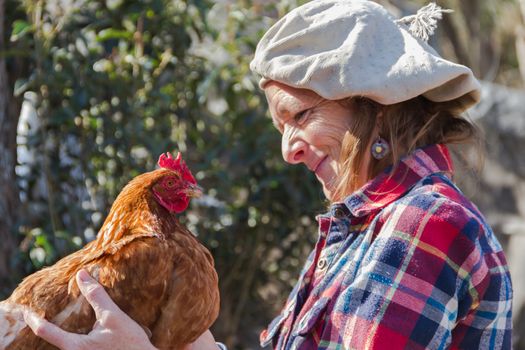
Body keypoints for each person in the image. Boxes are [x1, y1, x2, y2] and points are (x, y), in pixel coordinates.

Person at [25, 0, 513, 349]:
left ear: (376, 108)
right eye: (281, 127)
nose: (288, 151)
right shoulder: (364, 228)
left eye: (299, 117)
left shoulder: (424, 226)